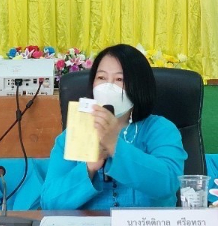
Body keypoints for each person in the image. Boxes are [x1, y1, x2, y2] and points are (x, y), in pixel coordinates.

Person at [40, 44, 186, 209]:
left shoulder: (160, 129)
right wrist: (90, 167)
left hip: (147, 225)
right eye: (101, 78)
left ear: (139, 86)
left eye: (119, 79)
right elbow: (50, 204)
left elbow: (168, 184)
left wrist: (114, 145)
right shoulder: (73, 134)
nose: (107, 86)